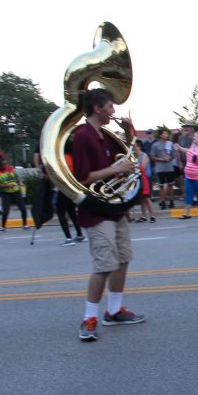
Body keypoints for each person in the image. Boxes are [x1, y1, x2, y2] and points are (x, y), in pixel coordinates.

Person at [72, 88, 144, 342]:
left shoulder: (105, 134)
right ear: (98, 108)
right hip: (96, 210)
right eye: (111, 107)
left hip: (115, 208)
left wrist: (128, 132)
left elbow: (129, 153)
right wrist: (115, 168)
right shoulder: (82, 136)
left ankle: (114, 311)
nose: (114, 111)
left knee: (123, 259)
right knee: (104, 266)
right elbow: (81, 177)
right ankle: (89, 317)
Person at [175, 131, 198, 219]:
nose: (193, 138)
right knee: (188, 193)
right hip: (189, 176)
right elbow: (188, 151)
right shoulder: (193, 145)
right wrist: (180, 148)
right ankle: (186, 214)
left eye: (195, 136)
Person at [55, 139, 85, 245]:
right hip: (72, 188)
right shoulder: (73, 158)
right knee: (71, 211)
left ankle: (68, 238)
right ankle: (79, 234)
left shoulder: (63, 159)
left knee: (60, 211)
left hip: (64, 188)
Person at [0, 156, 28, 231]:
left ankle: (25, 224)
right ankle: (3, 226)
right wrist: (7, 186)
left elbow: (16, 177)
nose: (5, 166)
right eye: (3, 165)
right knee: (5, 211)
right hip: (5, 193)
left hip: (16, 191)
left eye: (5, 164)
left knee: (23, 208)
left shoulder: (10, 168)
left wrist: (20, 181)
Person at [150, 129, 176, 210]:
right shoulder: (155, 145)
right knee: (161, 186)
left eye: (167, 134)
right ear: (160, 135)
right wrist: (162, 159)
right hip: (160, 168)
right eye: (165, 133)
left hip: (169, 168)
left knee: (170, 184)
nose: (166, 135)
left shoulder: (170, 144)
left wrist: (169, 157)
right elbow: (152, 157)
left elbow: (174, 155)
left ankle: (171, 201)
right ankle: (163, 202)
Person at [132, 140, 156, 223]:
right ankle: (143, 216)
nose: (133, 148)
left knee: (147, 197)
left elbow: (142, 167)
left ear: (139, 146)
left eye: (134, 146)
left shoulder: (144, 155)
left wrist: (133, 167)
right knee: (142, 198)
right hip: (139, 178)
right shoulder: (135, 156)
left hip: (146, 178)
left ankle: (152, 216)